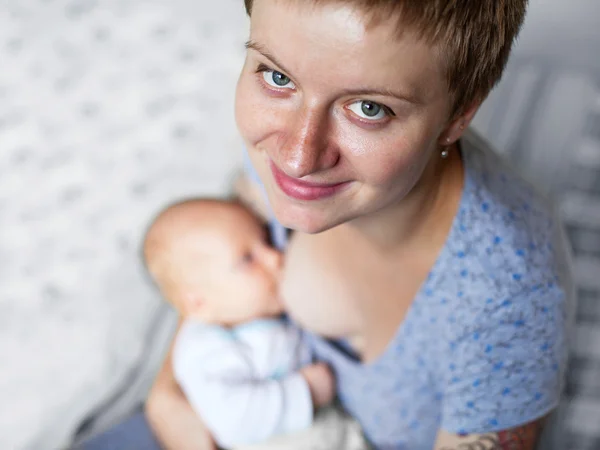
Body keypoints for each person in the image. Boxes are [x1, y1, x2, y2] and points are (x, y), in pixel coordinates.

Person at [79, 0, 574, 448]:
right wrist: (168, 397)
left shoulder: (508, 303)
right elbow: (208, 270)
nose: (297, 157)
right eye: (277, 78)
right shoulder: (275, 158)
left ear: (458, 117)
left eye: (368, 108)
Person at [142, 198, 340, 448]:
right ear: (199, 303)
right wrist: (305, 391)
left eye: (266, 240)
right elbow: (234, 421)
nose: (275, 257)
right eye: (247, 259)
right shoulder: (204, 349)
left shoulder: (255, 314)